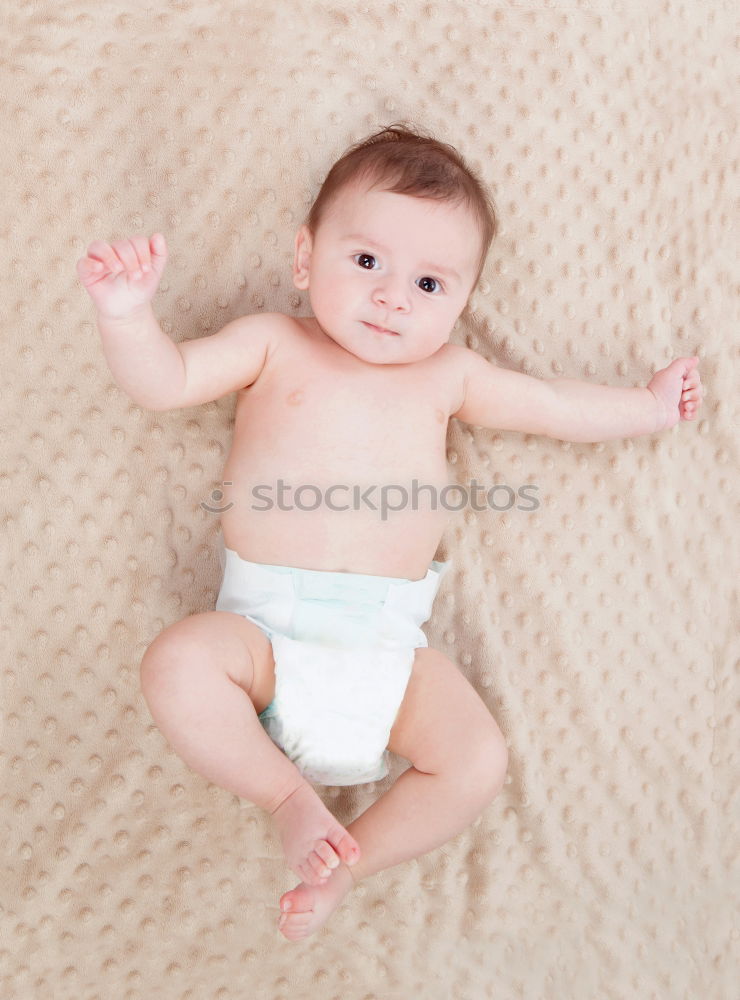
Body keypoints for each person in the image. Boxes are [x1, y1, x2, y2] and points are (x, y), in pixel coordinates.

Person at [76, 124, 704, 941]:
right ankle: (287, 801)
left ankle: (348, 863)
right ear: (305, 260)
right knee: (176, 662)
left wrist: (647, 408)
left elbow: (554, 407)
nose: (393, 297)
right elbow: (167, 383)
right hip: (264, 638)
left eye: (430, 283)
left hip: (388, 651)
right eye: (367, 262)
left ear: (463, 303)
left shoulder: (450, 376)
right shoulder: (273, 342)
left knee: (477, 761)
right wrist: (128, 316)